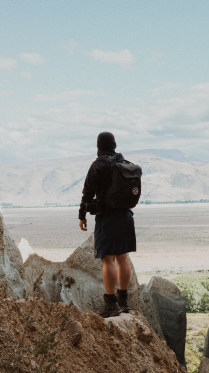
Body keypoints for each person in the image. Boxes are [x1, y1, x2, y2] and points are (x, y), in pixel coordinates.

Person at [78, 131, 137, 318]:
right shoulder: (125, 163)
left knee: (108, 259)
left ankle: (111, 304)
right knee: (123, 258)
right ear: (114, 144)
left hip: (108, 217)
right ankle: (124, 301)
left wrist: (82, 215)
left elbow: (87, 193)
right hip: (126, 216)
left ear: (99, 146)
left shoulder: (99, 165)